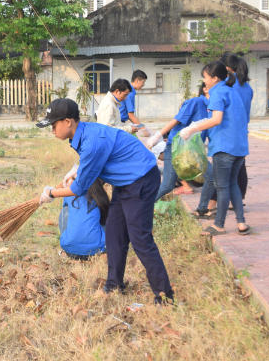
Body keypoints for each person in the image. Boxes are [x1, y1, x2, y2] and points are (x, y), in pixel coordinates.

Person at [36, 98, 173, 304]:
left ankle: (164, 296)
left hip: (141, 180)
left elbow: (80, 189)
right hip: (125, 182)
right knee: (114, 234)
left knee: (140, 239)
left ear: (67, 122)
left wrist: (52, 193)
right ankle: (114, 285)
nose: (52, 131)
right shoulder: (84, 133)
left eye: (54, 126)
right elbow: (93, 165)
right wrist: (77, 171)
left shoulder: (91, 142)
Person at [179, 61, 250, 236]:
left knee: (222, 186)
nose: (204, 81)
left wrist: (191, 128)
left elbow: (216, 119)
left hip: (224, 147)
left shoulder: (217, 92)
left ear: (215, 78)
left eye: (205, 77)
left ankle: (219, 225)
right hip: (239, 147)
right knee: (232, 183)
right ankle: (241, 223)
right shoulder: (233, 92)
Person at [148, 83, 209, 201]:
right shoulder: (195, 102)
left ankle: (203, 209)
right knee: (167, 185)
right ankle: (143, 207)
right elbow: (176, 120)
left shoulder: (213, 109)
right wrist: (157, 136)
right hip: (176, 149)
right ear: (205, 89)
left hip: (192, 152)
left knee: (211, 179)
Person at [206, 53, 252, 208]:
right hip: (241, 134)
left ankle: (212, 208)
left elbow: (218, 114)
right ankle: (237, 203)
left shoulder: (224, 86)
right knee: (238, 172)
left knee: (221, 179)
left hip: (225, 135)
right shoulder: (247, 87)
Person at [58, 178, 108, 260]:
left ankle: (67, 238)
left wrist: (67, 188)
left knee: (65, 211)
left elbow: (65, 205)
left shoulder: (70, 195)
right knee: (105, 214)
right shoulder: (100, 198)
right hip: (98, 250)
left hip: (70, 250)